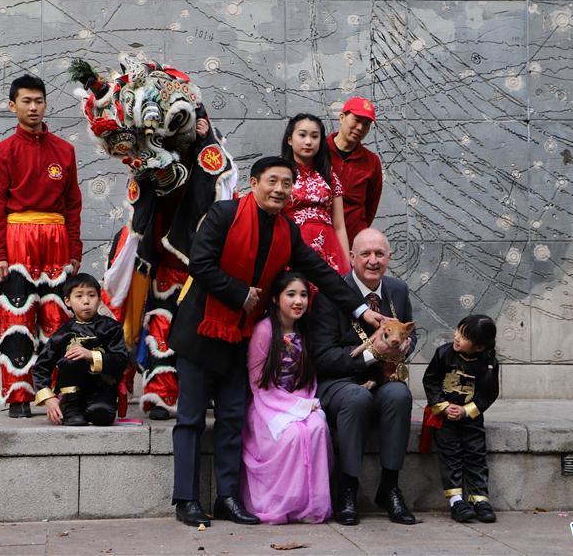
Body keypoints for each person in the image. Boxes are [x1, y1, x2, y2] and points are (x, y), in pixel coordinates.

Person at [169, 156, 383, 528]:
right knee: (190, 419)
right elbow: (200, 264)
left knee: (232, 418)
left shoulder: (287, 230)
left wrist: (362, 310)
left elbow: (321, 272)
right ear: (254, 183)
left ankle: (227, 498)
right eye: (273, 181)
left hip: (241, 338)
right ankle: (186, 500)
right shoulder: (224, 214)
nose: (280, 189)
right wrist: (240, 293)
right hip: (202, 332)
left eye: (287, 183)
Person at [0, 74, 82, 417]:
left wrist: (74, 250)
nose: (33, 107)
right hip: (16, 241)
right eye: (26, 101)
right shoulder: (2, 152)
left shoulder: (64, 150)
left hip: (56, 240)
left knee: (59, 319)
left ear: (46, 104)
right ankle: (19, 396)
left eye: (38, 101)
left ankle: (60, 394)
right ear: (13, 106)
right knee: (17, 317)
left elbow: (73, 205)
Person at [311, 228, 417, 526]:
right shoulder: (331, 294)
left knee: (400, 395)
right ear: (351, 257)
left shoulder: (398, 290)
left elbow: (412, 333)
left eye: (380, 254)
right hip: (339, 382)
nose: (373, 260)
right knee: (356, 398)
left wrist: (405, 347)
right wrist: (372, 353)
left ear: (389, 257)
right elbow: (323, 358)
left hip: (381, 380)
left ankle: (390, 487)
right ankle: (347, 487)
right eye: (366, 254)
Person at [240, 271, 332, 524]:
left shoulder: (306, 330)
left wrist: (303, 404)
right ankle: (283, 502)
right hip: (267, 405)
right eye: (291, 294)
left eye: (303, 295)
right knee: (291, 434)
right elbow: (259, 384)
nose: (298, 301)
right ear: (275, 298)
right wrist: (294, 407)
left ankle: (309, 505)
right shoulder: (264, 331)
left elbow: (307, 379)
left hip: (301, 400)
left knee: (317, 427)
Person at [422, 315, 500, 524]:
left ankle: (479, 499)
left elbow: (489, 393)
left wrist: (466, 411)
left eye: (464, 337)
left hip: (471, 419)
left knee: (475, 454)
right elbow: (430, 381)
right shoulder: (444, 353)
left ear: (479, 347)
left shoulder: (489, 364)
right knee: (451, 456)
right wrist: (443, 406)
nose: (456, 337)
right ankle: (456, 501)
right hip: (445, 418)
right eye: (458, 330)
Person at [32, 274, 131, 426]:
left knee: (101, 416)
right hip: (71, 392)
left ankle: (94, 407)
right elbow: (40, 368)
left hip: (103, 388)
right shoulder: (63, 333)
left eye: (91, 295)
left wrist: (91, 355)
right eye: (79, 296)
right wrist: (49, 398)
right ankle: (71, 408)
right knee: (71, 360)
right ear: (67, 301)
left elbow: (121, 360)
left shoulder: (112, 328)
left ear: (99, 299)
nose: (86, 301)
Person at [281, 114, 350, 274]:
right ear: (290, 140)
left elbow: (339, 226)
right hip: (292, 244)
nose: (308, 142)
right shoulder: (280, 173)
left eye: (314, 136)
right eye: (302, 135)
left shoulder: (329, 175)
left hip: (328, 246)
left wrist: (347, 264)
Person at [327, 97, 383, 244]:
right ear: (342, 117)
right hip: (318, 240)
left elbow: (371, 207)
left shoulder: (372, 162)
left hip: (353, 241)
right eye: (356, 120)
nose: (360, 128)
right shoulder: (319, 151)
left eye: (366, 124)